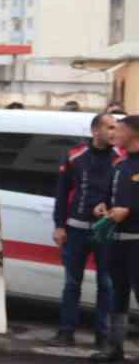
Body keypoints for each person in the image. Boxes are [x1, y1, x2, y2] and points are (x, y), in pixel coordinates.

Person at [52, 113, 120, 348]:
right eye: (110, 127)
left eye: (117, 128)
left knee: (107, 284)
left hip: (107, 232)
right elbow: (61, 193)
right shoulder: (75, 156)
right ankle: (66, 331)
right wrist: (59, 225)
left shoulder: (121, 158)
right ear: (95, 131)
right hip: (76, 230)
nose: (114, 132)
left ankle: (102, 335)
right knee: (72, 283)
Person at [94, 115, 139, 364]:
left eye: (118, 130)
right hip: (117, 240)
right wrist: (103, 205)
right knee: (117, 292)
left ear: (133, 134)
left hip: (137, 241)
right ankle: (115, 348)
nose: (114, 135)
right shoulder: (120, 164)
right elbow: (107, 193)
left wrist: (131, 211)